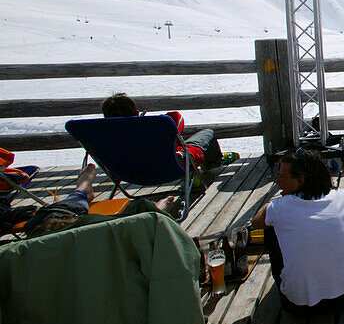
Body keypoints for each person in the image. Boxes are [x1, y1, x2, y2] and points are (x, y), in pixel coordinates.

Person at [251, 149, 344, 316]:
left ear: (301, 180)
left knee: (269, 226)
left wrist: (278, 203)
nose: (277, 181)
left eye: (282, 177)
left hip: (294, 306)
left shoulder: (279, 207)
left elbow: (256, 222)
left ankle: (298, 278)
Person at [22, 163, 184, 236]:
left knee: (53, 222)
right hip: (76, 233)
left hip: (40, 241)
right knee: (66, 216)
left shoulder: (14, 255)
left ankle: (83, 189)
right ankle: (156, 213)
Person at [101, 92, 230, 170]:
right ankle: (212, 164)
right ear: (136, 112)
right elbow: (177, 119)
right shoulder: (154, 128)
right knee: (207, 133)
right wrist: (143, 121)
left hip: (129, 173)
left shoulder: (104, 137)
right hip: (170, 166)